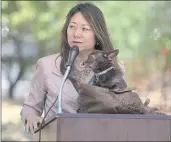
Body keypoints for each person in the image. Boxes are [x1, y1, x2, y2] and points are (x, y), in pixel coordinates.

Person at [20, 2, 125, 134]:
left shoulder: (114, 67)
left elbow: (121, 109)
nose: (76, 34)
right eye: (72, 27)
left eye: (85, 29)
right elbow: (30, 107)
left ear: (97, 34)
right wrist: (31, 116)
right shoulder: (46, 65)